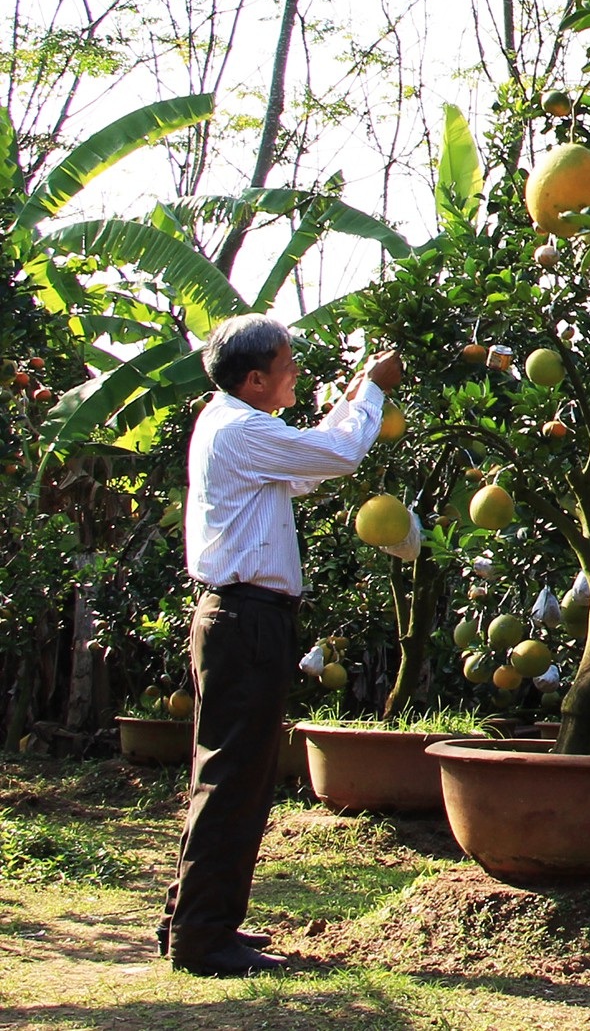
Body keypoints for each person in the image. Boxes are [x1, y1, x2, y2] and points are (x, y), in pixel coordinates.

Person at [157, 315, 401, 976]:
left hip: (239, 616)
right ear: (256, 376)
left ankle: (196, 918)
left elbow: (306, 470)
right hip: (245, 619)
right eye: (287, 362)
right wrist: (371, 390)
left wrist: (351, 400)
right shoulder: (239, 427)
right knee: (234, 773)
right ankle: (203, 938)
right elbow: (338, 455)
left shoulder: (233, 425)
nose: (296, 370)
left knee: (232, 770)